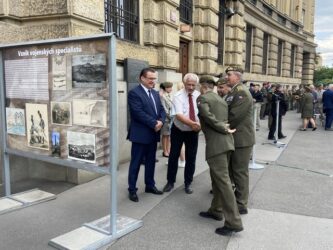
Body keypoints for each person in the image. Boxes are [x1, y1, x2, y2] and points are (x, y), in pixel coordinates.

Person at [197, 75, 243, 236]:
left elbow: (209, 118)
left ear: (202, 86)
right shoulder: (220, 99)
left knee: (223, 183)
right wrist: (224, 128)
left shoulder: (203, 99)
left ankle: (233, 222)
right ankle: (216, 210)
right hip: (227, 143)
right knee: (218, 180)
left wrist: (223, 128)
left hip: (217, 145)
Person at [127, 67, 166, 202]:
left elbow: (161, 109)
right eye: (150, 78)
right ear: (142, 78)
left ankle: (150, 185)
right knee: (136, 163)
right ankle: (132, 190)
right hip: (140, 135)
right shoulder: (134, 93)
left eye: (154, 79)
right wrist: (154, 123)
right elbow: (137, 113)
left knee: (151, 162)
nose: (153, 81)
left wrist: (161, 120)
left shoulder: (155, 93)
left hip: (153, 134)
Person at [163, 73, 201, 194]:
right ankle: (170, 182)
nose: (190, 87)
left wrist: (199, 126)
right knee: (173, 156)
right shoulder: (178, 96)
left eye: (193, 85)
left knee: (191, 157)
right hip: (179, 130)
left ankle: (188, 183)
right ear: (184, 84)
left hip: (193, 133)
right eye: (188, 84)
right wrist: (194, 125)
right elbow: (179, 115)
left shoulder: (199, 96)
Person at [225, 66, 255, 215]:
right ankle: (237, 198)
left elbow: (235, 116)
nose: (227, 77)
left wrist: (220, 125)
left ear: (237, 77)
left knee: (240, 171)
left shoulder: (241, 92)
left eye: (229, 75)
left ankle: (241, 204)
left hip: (242, 139)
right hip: (235, 137)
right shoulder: (234, 91)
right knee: (233, 169)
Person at [160, 82, 173, 157]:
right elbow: (164, 109)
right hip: (166, 119)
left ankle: (168, 150)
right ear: (165, 88)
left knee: (168, 136)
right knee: (165, 136)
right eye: (169, 87)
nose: (171, 89)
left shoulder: (169, 95)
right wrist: (170, 117)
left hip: (170, 118)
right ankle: (164, 151)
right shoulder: (162, 96)